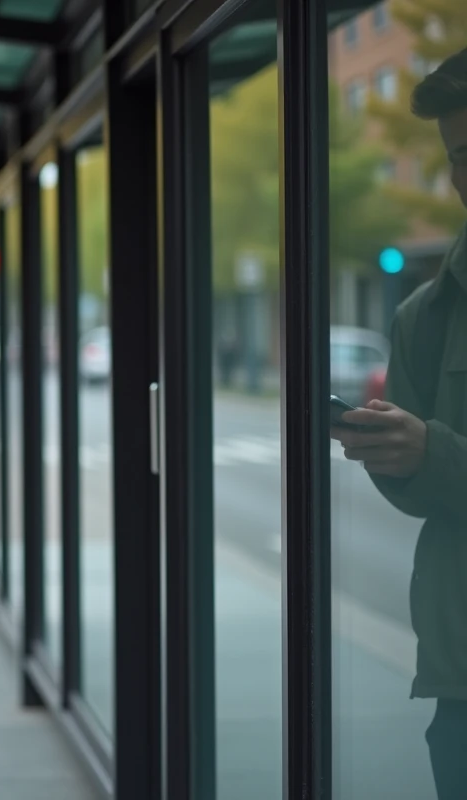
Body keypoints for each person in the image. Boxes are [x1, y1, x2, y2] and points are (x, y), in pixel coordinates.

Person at [332, 48, 467, 799]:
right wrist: (397, 455)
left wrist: (434, 453)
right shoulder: (428, 313)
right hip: (461, 677)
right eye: (459, 157)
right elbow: (420, 495)